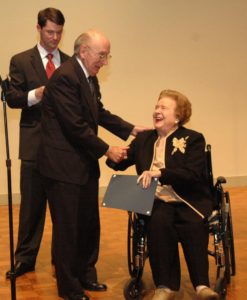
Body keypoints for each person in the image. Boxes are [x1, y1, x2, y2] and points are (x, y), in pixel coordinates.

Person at [37, 29, 147, 300]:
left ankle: (86, 274)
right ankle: (69, 287)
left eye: (107, 56)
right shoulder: (64, 78)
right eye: (102, 55)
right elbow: (74, 126)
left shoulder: (88, 77)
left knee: (88, 225)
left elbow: (98, 113)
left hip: (82, 165)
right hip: (62, 168)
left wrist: (131, 129)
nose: (105, 61)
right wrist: (107, 149)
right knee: (68, 229)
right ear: (83, 51)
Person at [106, 89, 219, 300]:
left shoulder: (193, 139)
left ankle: (202, 286)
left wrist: (160, 173)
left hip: (188, 199)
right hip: (156, 200)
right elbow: (120, 163)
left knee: (193, 225)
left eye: (163, 107)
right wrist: (115, 155)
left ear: (178, 116)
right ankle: (165, 287)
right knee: (158, 223)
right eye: (156, 107)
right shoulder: (144, 139)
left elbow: (192, 175)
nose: (157, 111)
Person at [5, 7, 69, 279]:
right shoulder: (21, 60)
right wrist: (36, 94)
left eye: (59, 33)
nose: (54, 38)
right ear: (39, 28)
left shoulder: (69, 62)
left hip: (64, 147)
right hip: (33, 145)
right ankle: (25, 259)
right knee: (31, 207)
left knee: (62, 209)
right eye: (50, 32)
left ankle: (61, 260)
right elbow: (13, 98)